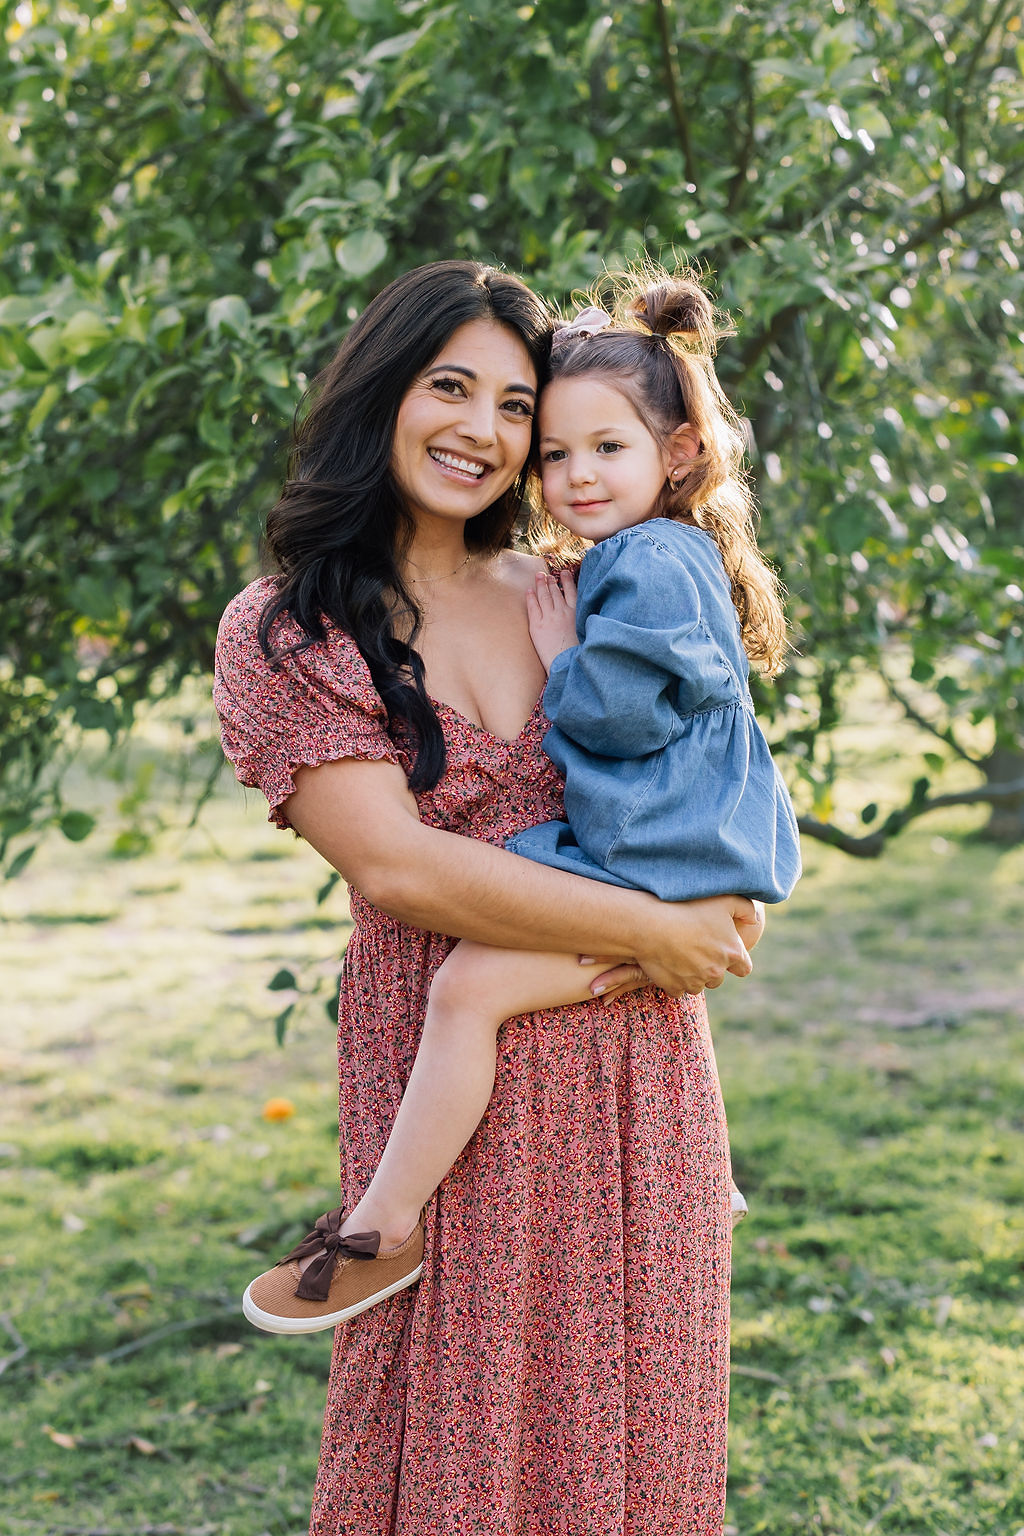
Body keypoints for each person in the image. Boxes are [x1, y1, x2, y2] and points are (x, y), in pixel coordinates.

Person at [214, 259, 762, 1535]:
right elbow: (401, 868)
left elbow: (700, 783)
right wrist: (660, 934)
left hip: (638, 1075)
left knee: (639, 1440)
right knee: (451, 1450)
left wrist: (709, 918)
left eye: (515, 406)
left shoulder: (580, 589)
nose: (483, 430)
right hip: (451, 1092)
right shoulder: (289, 630)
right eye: (449, 387)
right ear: (382, 393)